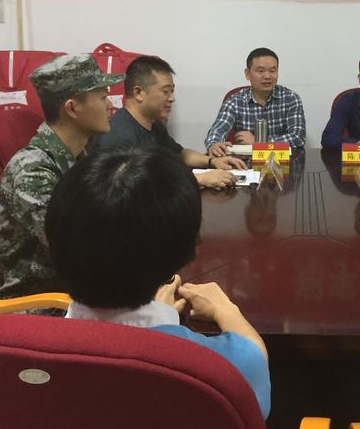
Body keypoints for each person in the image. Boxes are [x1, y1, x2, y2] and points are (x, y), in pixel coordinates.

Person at [44, 146, 271, 419]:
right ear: (189, 248)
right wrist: (225, 310)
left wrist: (160, 313)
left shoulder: (21, 353)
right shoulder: (221, 367)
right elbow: (255, 358)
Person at [0, 54, 124, 302]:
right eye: (103, 97)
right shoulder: (33, 172)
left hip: (71, 288)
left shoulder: (78, 156)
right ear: (72, 108)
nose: (110, 106)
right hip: (30, 303)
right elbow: (78, 249)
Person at [92, 55, 246, 190]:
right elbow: (130, 187)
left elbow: (180, 154)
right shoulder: (118, 135)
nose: (172, 98)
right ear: (138, 93)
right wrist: (198, 179)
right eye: (165, 91)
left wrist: (213, 161)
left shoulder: (153, 123)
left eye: (172, 91)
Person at [205, 48, 306, 157]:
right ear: (247, 74)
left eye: (272, 71)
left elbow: (298, 137)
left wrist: (259, 142)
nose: (267, 76)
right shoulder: (235, 101)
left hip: (283, 162)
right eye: (261, 71)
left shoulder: (290, 98)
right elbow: (218, 130)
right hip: (245, 162)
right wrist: (214, 144)